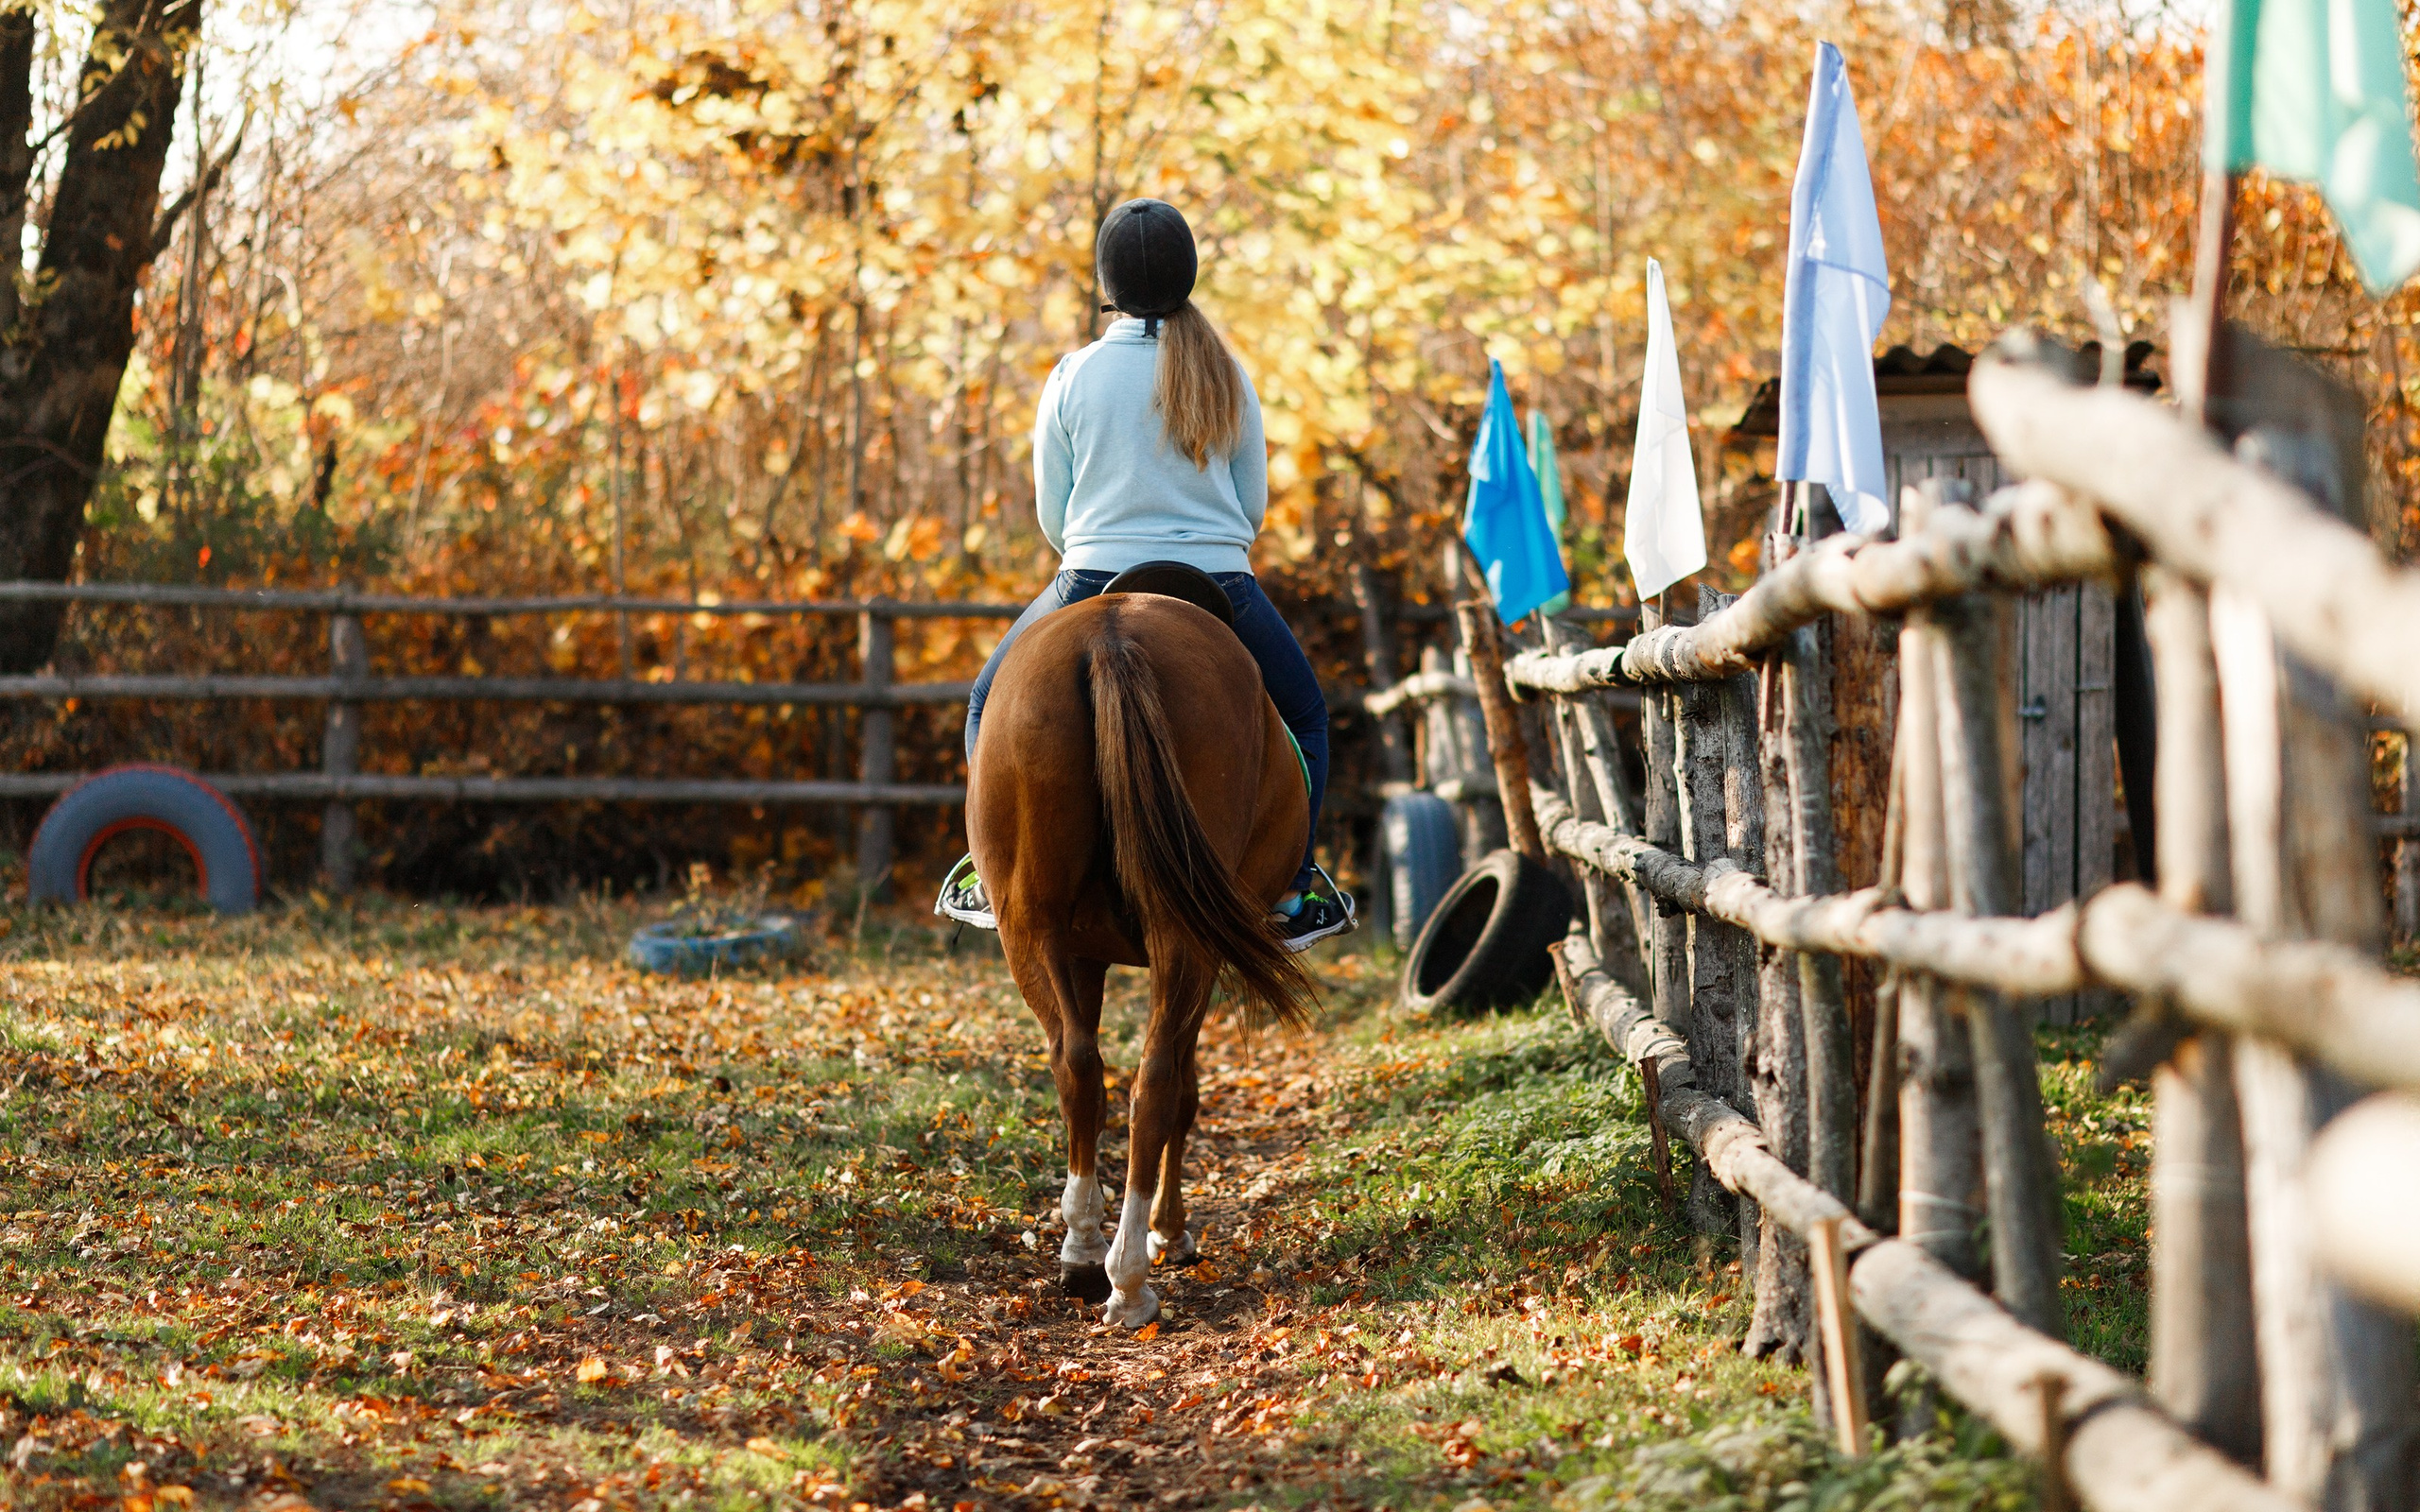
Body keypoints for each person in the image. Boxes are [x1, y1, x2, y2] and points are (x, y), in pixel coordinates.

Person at [935, 198, 1354, 952]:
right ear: (1187, 277)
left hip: (1090, 574)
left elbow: (1051, 513)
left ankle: (990, 867)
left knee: (984, 703)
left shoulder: (1073, 374)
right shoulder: (1226, 372)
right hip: (1220, 581)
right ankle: (1294, 886)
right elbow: (1251, 504)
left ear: (1107, 284)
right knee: (1307, 719)